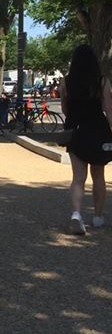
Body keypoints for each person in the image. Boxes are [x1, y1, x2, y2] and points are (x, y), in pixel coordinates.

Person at [60, 44, 112, 235]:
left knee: (78, 177)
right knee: (98, 176)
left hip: (76, 132)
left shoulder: (66, 82)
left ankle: (76, 214)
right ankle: (98, 217)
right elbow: (108, 109)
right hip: (98, 130)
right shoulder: (102, 81)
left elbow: (65, 110)